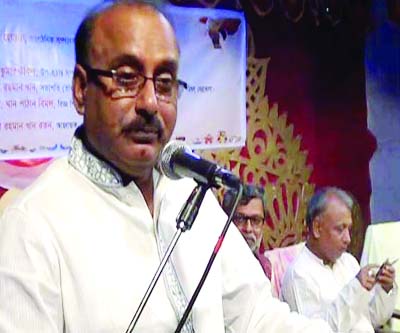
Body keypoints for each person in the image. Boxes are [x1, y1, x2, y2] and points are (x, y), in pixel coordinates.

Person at [0, 1, 335, 332]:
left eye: (165, 83)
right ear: (80, 90)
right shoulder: (32, 226)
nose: (149, 103)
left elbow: (257, 317)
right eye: (127, 78)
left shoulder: (191, 194)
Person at [281, 187, 397, 332]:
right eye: (340, 229)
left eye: (349, 229)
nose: (348, 239)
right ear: (317, 228)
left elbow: (373, 318)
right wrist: (356, 288)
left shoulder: (348, 262)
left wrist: (385, 288)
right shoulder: (298, 275)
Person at [222, 185, 272, 279]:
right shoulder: (214, 267)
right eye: (240, 219)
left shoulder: (264, 266)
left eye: (256, 220)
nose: (248, 228)